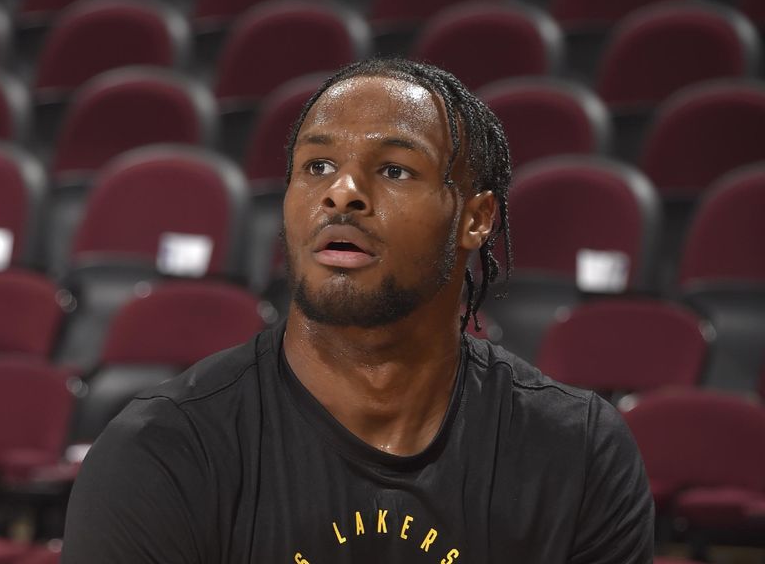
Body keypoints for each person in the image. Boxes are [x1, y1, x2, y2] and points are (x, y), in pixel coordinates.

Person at [62, 58, 654, 563]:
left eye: (394, 170)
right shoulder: (162, 451)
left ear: (475, 219)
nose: (341, 191)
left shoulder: (577, 452)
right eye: (317, 166)